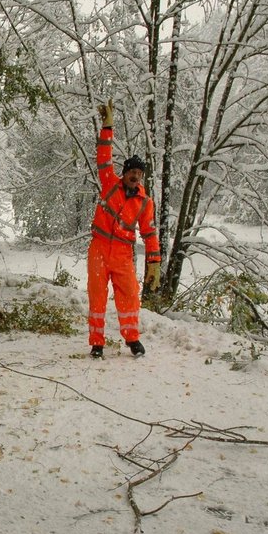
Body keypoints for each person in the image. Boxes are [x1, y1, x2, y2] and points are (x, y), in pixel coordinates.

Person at [88, 98, 161, 359]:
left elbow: (150, 234)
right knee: (97, 296)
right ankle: (97, 342)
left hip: (122, 253)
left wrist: (154, 262)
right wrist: (108, 126)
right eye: (132, 172)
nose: (135, 177)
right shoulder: (110, 183)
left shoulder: (145, 202)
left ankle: (132, 339)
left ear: (141, 178)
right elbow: (103, 156)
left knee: (129, 295)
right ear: (125, 173)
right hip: (99, 247)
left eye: (139, 174)